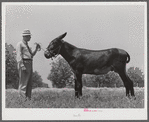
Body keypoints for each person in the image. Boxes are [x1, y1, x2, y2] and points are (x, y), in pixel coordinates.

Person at [16, 29, 41, 100]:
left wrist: (36, 49)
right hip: (24, 63)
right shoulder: (20, 44)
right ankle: (22, 99)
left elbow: (31, 55)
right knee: (23, 82)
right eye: (29, 36)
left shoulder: (27, 45)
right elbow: (19, 55)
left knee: (29, 82)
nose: (30, 38)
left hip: (29, 63)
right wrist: (22, 65)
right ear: (25, 36)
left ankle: (28, 98)